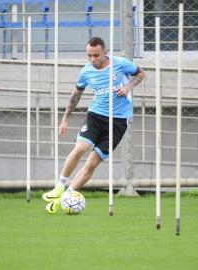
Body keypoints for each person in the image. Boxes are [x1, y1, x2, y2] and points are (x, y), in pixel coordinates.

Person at [42, 37, 146, 213]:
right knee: (80, 149)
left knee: (92, 162)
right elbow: (76, 94)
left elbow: (141, 74)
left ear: (104, 52)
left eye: (96, 55)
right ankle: (59, 186)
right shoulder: (86, 72)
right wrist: (65, 118)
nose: (92, 59)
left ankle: (66, 197)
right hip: (96, 116)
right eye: (89, 56)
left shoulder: (120, 63)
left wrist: (128, 87)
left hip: (119, 121)